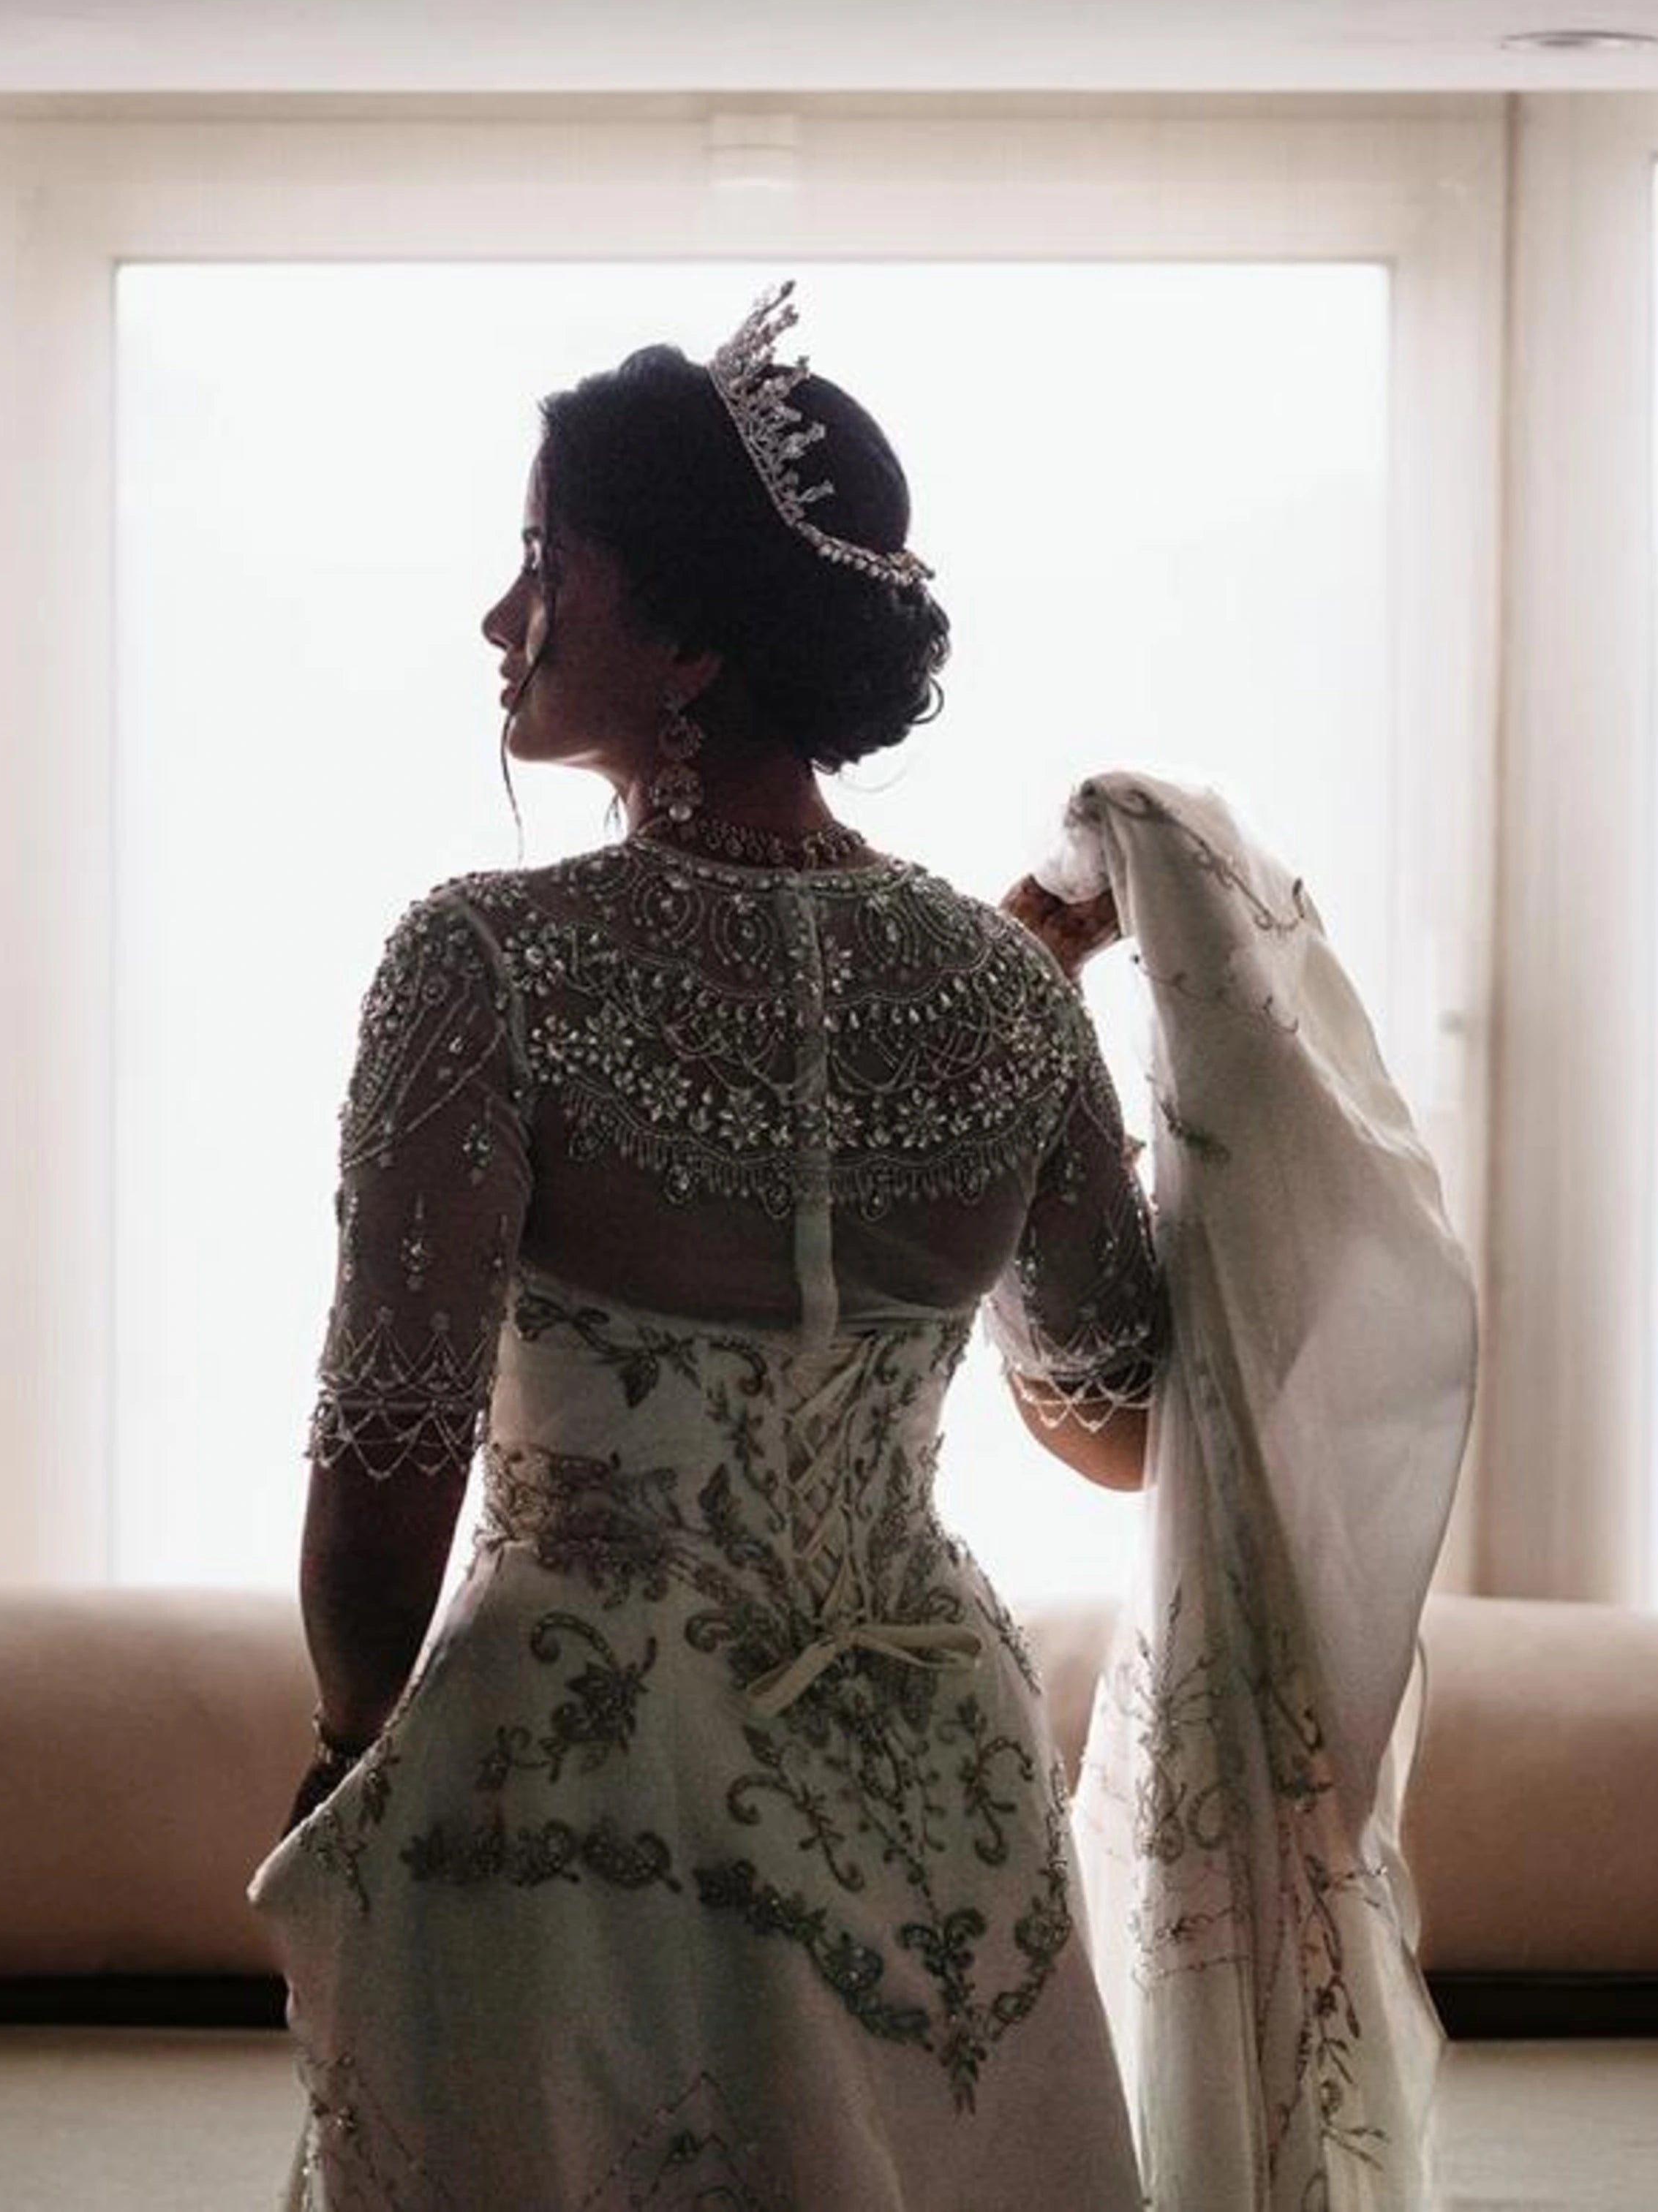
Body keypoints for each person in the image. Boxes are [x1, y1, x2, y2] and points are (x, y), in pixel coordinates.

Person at [241, 280, 1167, 2210]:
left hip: (578, 1784)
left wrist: (347, 1739)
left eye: (538, 565)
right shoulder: (1008, 996)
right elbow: (1118, 1420)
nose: (504, 621)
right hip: (932, 1780)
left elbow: (394, 1449)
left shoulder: (488, 961)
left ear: (675, 629)